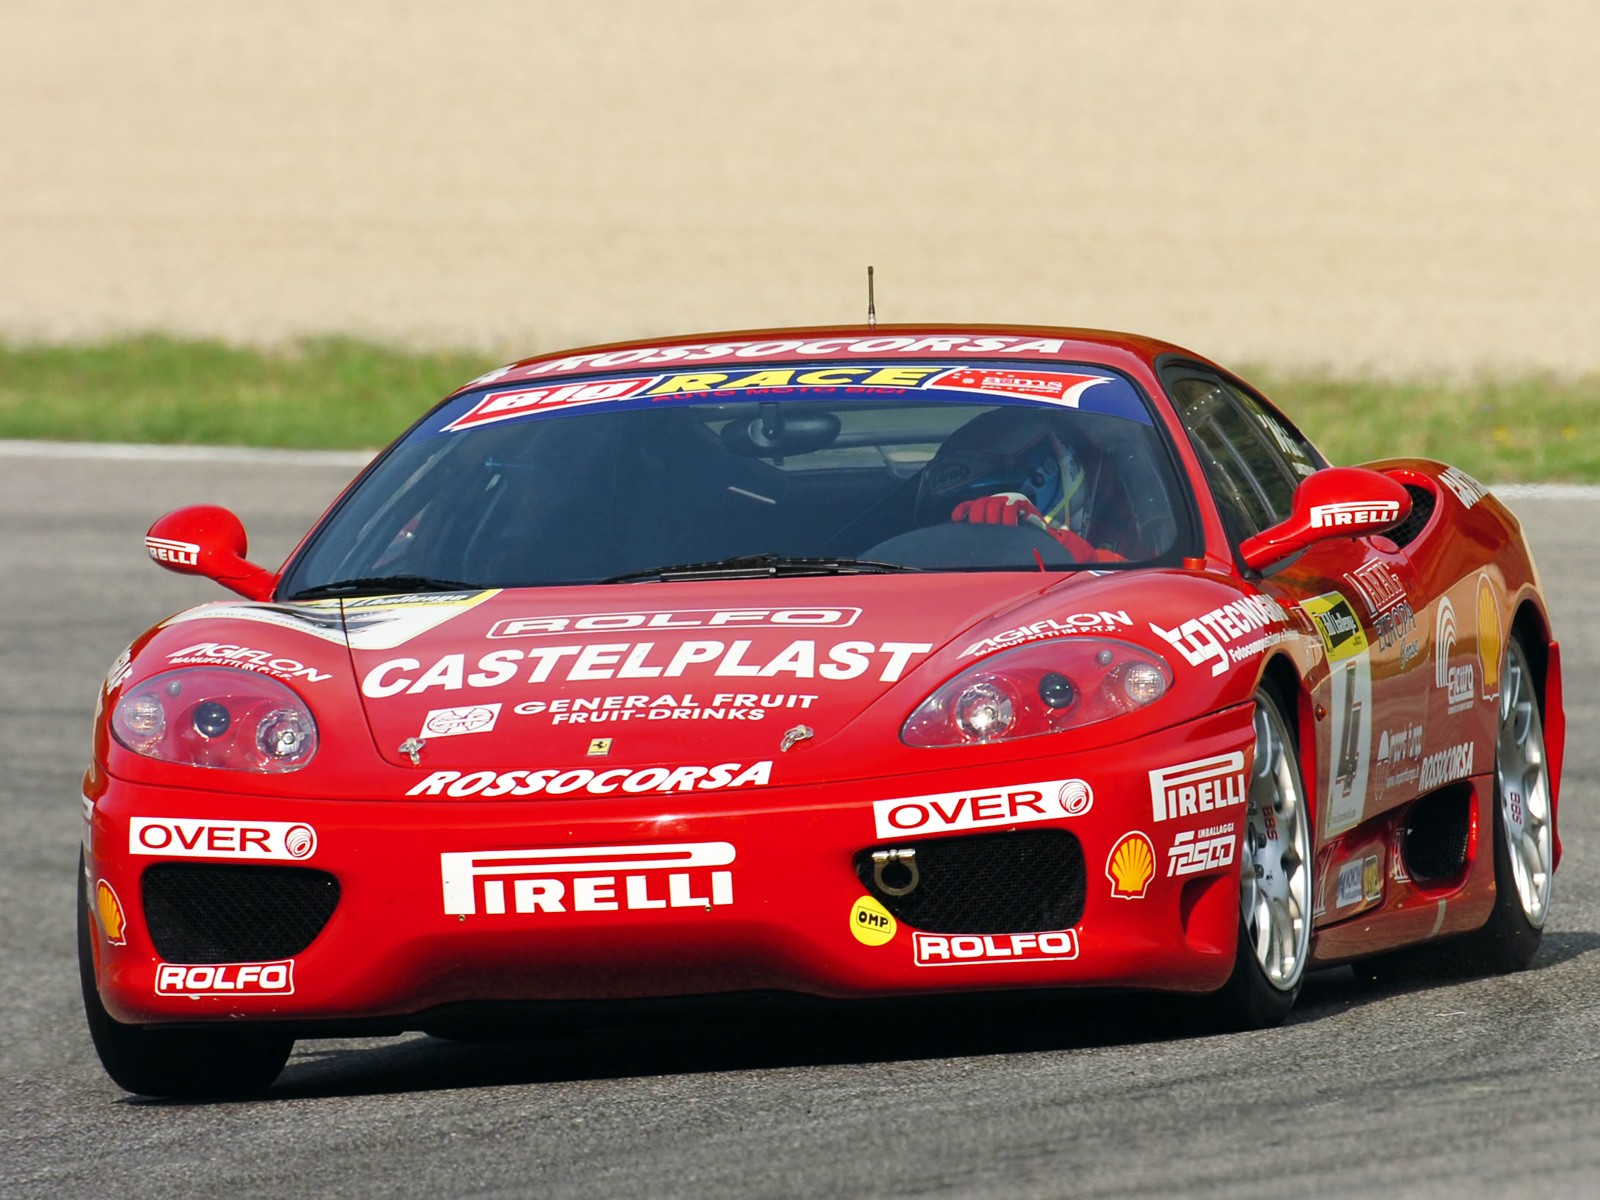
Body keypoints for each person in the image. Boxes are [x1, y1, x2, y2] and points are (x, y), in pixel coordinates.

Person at [916, 407, 1124, 562]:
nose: (970, 518)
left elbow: (1135, 588)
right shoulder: (903, 557)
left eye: (993, 497)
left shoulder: (1120, 537)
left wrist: (1063, 548)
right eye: (952, 512)